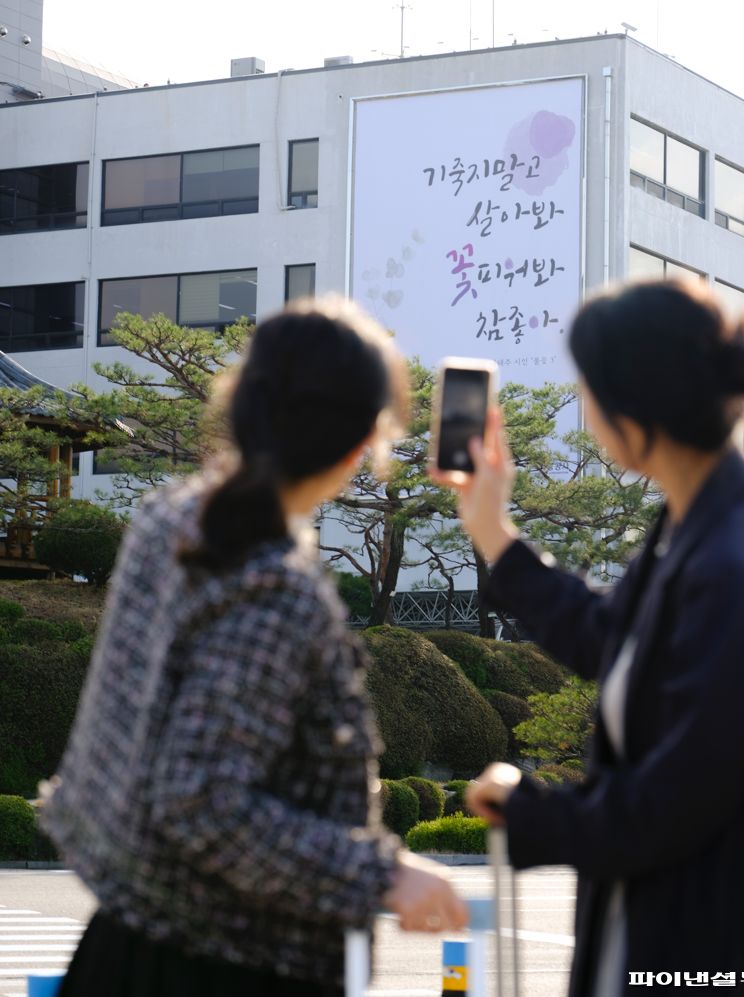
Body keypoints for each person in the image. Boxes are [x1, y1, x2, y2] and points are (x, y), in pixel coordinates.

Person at [41, 296, 468, 997]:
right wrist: (386, 873)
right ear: (366, 444)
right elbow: (200, 799)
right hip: (228, 960)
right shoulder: (272, 586)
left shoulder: (170, 520)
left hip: (127, 936)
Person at [443, 281, 744, 996]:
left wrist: (528, 810)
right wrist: (493, 532)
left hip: (711, 948)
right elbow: (610, 634)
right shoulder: (708, 521)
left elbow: (676, 803)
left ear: (635, 408)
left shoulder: (731, 560)